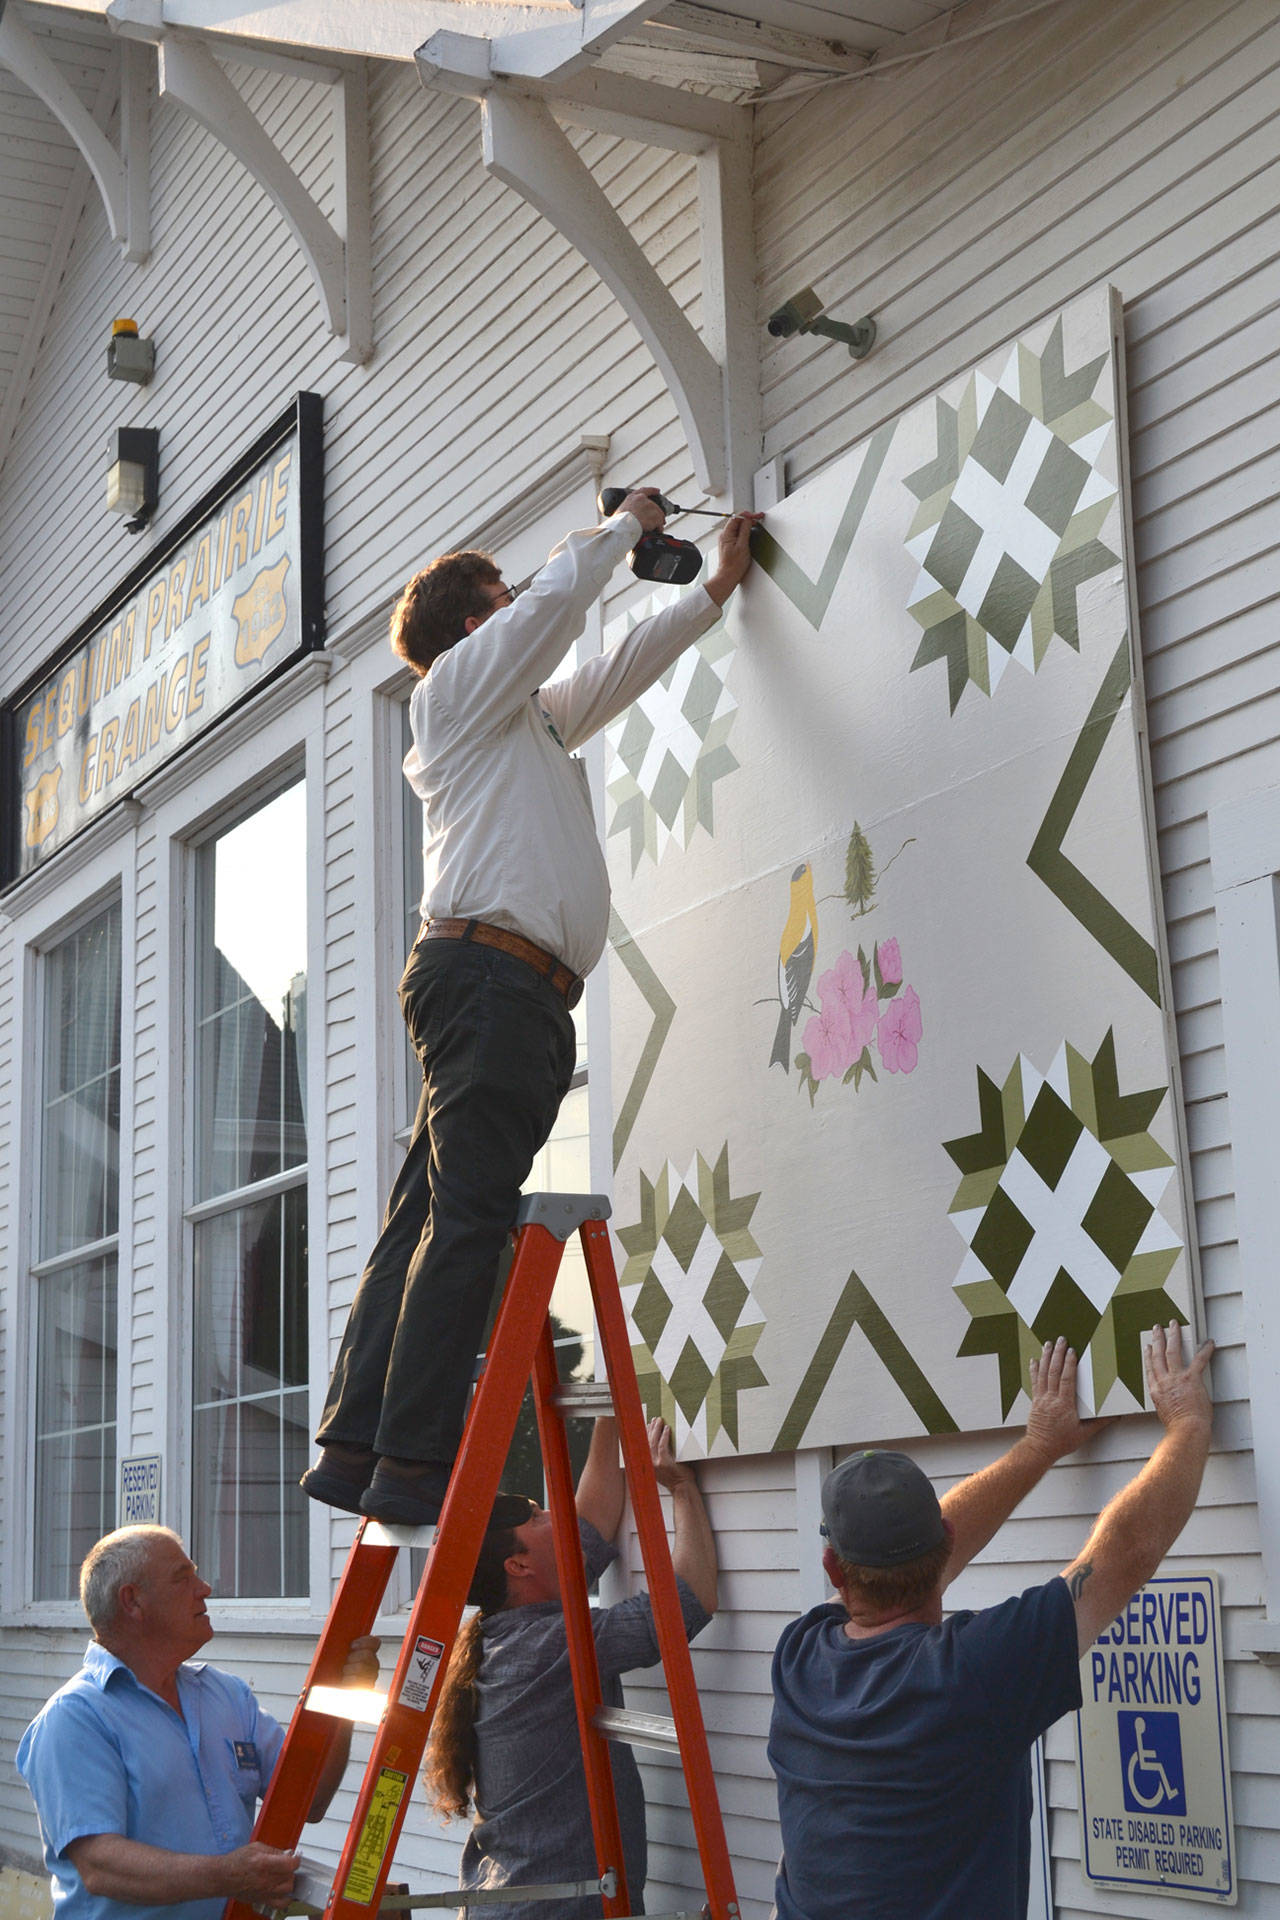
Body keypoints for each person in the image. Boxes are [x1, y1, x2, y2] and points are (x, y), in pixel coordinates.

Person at [302, 493, 763, 1528]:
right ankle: (414, 1463)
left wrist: (713, 594)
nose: (516, 608)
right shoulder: (454, 694)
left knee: (422, 1214)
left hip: (491, 983)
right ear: (475, 626)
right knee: (463, 1217)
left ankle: (356, 1440)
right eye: (499, 599)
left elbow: (611, 666)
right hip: (493, 984)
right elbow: (553, 608)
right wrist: (620, 526)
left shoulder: (521, 726)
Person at [768, 1324, 1215, 1920]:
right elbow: (1123, 1555)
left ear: (833, 1569)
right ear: (945, 1542)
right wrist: (1188, 1425)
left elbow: (913, 1570)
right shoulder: (967, 1673)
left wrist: (1039, 1447)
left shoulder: (799, 1657)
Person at [422, 1415, 717, 1920]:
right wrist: (682, 1487)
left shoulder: (513, 1625)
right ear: (518, 1566)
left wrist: (611, 1404)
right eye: (538, 1518)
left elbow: (593, 1520)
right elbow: (686, 1605)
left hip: (515, 1901)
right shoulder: (547, 1646)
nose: (554, 1516)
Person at [16, 1526, 378, 1920]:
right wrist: (229, 1875)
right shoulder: (75, 1717)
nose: (204, 1588)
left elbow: (309, 1799)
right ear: (132, 1601)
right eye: (182, 1578)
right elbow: (101, 1866)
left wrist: (346, 1697)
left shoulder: (226, 1695)